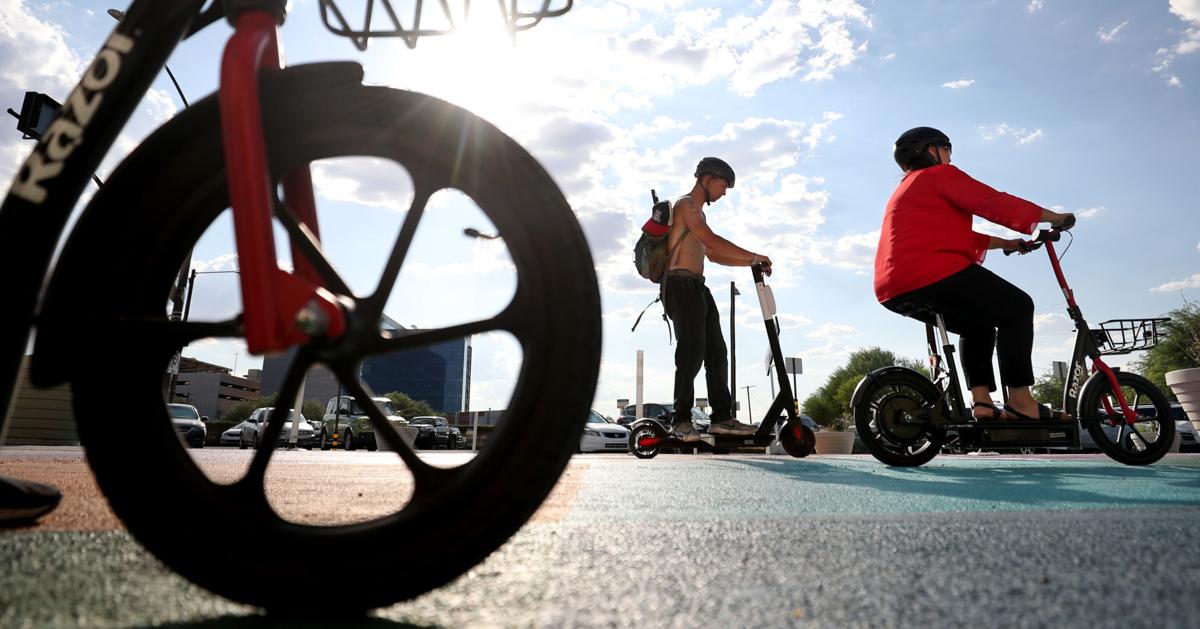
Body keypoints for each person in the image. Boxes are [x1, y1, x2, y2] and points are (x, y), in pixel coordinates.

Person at [874, 127, 1074, 422]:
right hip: (930, 271)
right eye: (948, 149)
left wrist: (1008, 243)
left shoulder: (908, 188)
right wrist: (1054, 217)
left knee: (977, 327)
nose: (950, 157)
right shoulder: (939, 175)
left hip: (894, 285)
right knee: (1018, 307)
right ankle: (1021, 401)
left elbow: (952, 236)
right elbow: (991, 201)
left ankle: (982, 404)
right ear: (933, 151)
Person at [664, 157, 773, 442]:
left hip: (698, 287)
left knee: (716, 352)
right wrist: (753, 255)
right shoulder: (685, 205)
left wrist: (751, 263)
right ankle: (681, 420)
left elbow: (714, 254)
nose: (723, 193)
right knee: (692, 352)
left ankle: (721, 418)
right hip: (680, 285)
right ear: (708, 178)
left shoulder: (699, 213)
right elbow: (711, 242)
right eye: (723, 186)